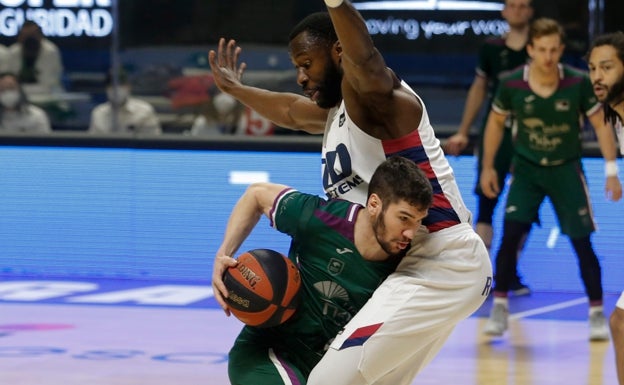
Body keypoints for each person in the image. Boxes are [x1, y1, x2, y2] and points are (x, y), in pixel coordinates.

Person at [208, 1, 492, 384]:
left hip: (442, 260)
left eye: (307, 64)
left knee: (327, 380)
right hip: (412, 267)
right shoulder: (337, 114)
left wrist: (336, 4)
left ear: (339, 51)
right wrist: (236, 89)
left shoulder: (382, 101)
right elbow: (290, 112)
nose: (300, 77)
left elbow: (367, 60)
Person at [212, 156, 433, 384]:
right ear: (375, 205)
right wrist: (223, 255)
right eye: (404, 218)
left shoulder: (411, 261)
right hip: (268, 353)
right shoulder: (322, 218)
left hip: (332, 371)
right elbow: (256, 194)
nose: (410, 232)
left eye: (418, 221)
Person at [480, 18, 622, 341]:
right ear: (530, 49)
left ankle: (597, 313)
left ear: (560, 50)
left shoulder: (579, 82)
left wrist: (612, 172)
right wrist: (489, 167)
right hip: (527, 170)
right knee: (510, 237)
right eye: (541, 49)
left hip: (566, 168)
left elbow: (601, 125)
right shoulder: (512, 84)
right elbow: (494, 124)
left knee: (582, 243)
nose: (547, 56)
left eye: (553, 49)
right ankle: (499, 308)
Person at [444, 0, 533, 296]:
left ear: (531, 10)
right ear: (504, 11)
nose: (518, 10)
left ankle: (510, 273)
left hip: (533, 136)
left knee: (524, 206)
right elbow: (479, 88)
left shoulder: (541, 46)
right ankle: (482, 277)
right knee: (486, 202)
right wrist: (463, 130)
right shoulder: (491, 48)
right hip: (496, 133)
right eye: (513, 5)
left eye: (524, 5)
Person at [587, 30, 624, 384]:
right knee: (621, 324)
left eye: (607, 67)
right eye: (592, 68)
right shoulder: (615, 117)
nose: (597, 75)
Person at [88, 70, 162, 135]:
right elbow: (92, 143)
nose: (116, 90)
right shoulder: (98, 113)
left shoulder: (144, 111)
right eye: (111, 86)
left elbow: (154, 142)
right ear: (106, 89)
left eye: (120, 85)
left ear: (128, 87)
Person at [5, 20, 64, 94]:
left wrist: (19, 89)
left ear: (40, 36)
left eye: (32, 35)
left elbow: (48, 84)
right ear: (19, 38)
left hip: (47, 94)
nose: (30, 40)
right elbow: (9, 82)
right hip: (18, 96)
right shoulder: (12, 52)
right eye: (26, 36)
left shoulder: (50, 52)